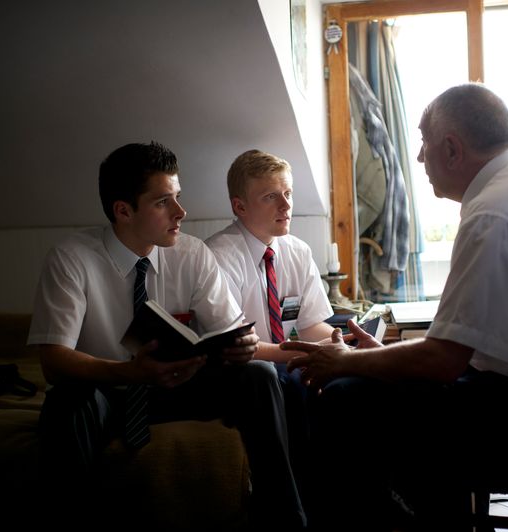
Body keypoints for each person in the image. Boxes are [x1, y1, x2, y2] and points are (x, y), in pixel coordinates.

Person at [283, 84, 508, 531]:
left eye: (423, 144)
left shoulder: (496, 213)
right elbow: (465, 348)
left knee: (344, 398)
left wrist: (352, 362)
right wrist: (376, 359)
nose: (419, 159)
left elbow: (442, 361)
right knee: (373, 384)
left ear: (451, 149)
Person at [27, 141, 305, 529]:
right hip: (110, 390)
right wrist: (130, 374)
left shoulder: (191, 254)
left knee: (259, 375)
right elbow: (53, 361)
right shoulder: (72, 258)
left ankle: (287, 522)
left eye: (178, 197)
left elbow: (228, 329)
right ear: (123, 211)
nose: (181, 212)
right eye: (163, 202)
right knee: (68, 402)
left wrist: (238, 345)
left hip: (177, 387)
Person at [204, 149, 336, 510]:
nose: (285, 205)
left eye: (288, 194)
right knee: (286, 379)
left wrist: (341, 342)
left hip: (284, 360)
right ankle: (300, 505)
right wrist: (312, 353)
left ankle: (355, 495)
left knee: (349, 382)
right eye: (270, 196)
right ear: (240, 207)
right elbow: (239, 348)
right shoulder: (218, 256)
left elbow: (311, 325)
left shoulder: (296, 250)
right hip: (242, 371)